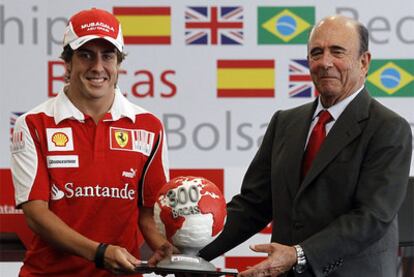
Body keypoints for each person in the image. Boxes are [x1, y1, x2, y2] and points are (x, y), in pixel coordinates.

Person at [198, 15, 412, 277]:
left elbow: (371, 217)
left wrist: (299, 254)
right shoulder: (285, 122)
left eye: (337, 52)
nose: (325, 63)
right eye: (316, 53)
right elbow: (254, 205)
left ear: (364, 62)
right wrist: (189, 253)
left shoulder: (388, 127)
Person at [10, 8, 171, 276]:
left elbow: (148, 212)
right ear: (68, 62)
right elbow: (36, 214)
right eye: (85, 55)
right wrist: (100, 252)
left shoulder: (149, 126)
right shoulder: (33, 123)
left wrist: (164, 247)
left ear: (119, 63)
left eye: (107, 56)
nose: (97, 67)